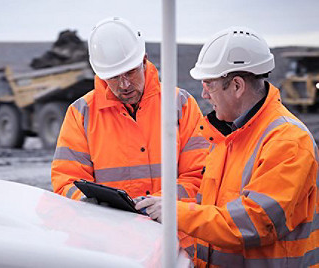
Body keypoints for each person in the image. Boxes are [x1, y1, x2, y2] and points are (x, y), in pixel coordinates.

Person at [136, 27, 319, 267]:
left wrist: (173, 213)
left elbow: (254, 221)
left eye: (209, 84)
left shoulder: (288, 140)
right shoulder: (227, 136)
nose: (203, 94)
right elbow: (208, 206)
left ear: (237, 86)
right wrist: (153, 203)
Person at [51, 17, 208, 205]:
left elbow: (200, 176)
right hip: (111, 231)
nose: (124, 84)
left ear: (144, 61)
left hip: (171, 230)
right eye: (114, 77)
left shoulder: (180, 104)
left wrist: (158, 204)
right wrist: (89, 204)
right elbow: (66, 181)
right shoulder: (81, 113)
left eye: (131, 72)